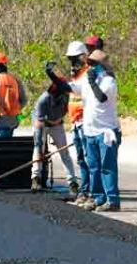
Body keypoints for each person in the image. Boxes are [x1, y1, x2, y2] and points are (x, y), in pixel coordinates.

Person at [47, 49, 121, 212]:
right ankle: (97, 197)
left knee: (107, 167)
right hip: (90, 131)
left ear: (102, 65)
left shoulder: (109, 81)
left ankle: (113, 200)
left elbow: (101, 98)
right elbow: (67, 87)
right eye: (90, 64)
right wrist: (51, 75)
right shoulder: (87, 80)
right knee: (94, 167)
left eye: (94, 64)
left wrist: (93, 82)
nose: (91, 66)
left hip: (106, 131)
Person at [31, 82, 79, 195]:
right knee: (38, 150)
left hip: (57, 123)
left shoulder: (66, 96)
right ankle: (35, 178)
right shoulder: (42, 101)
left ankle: (72, 183)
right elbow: (38, 127)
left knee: (64, 152)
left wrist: (58, 119)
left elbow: (68, 109)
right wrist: (39, 146)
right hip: (42, 123)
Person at [65, 40, 93, 204]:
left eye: (75, 58)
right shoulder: (75, 76)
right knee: (81, 158)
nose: (72, 62)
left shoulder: (88, 74)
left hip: (85, 122)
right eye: (70, 59)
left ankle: (89, 190)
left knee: (89, 158)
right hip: (76, 122)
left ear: (84, 56)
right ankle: (84, 190)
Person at [0, 52, 27, 138]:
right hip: (15, 120)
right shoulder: (15, 80)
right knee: (9, 138)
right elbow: (24, 100)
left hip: (1, 120)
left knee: (3, 145)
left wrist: (2, 112)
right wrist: (16, 112)